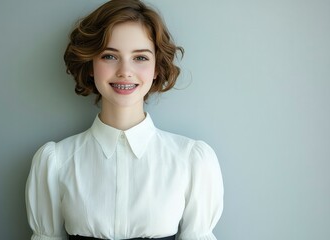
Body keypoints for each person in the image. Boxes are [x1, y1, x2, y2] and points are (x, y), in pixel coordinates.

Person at [25, 0, 224, 240]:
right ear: (90, 64)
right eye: (109, 56)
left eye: (140, 58)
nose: (125, 71)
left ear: (156, 68)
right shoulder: (55, 162)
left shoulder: (191, 161)